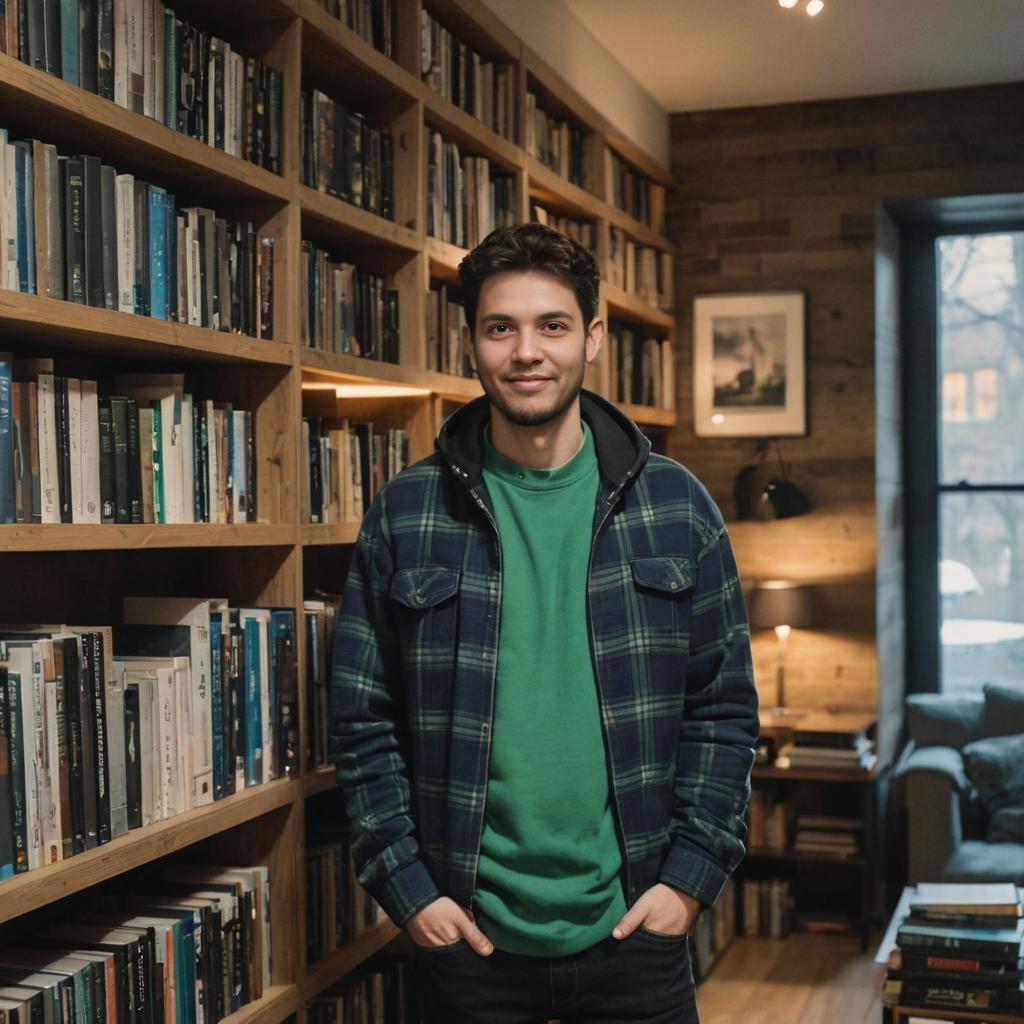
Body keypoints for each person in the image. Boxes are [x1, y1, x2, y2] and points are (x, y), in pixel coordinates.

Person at [331, 223, 759, 1023]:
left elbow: (723, 710)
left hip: (638, 939)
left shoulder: (677, 507)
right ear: (471, 344)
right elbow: (363, 722)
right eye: (501, 328)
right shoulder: (407, 512)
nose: (526, 351)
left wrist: (689, 881)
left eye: (552, 325)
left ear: (593, 336)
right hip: (468, 949)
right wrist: (410, 890)